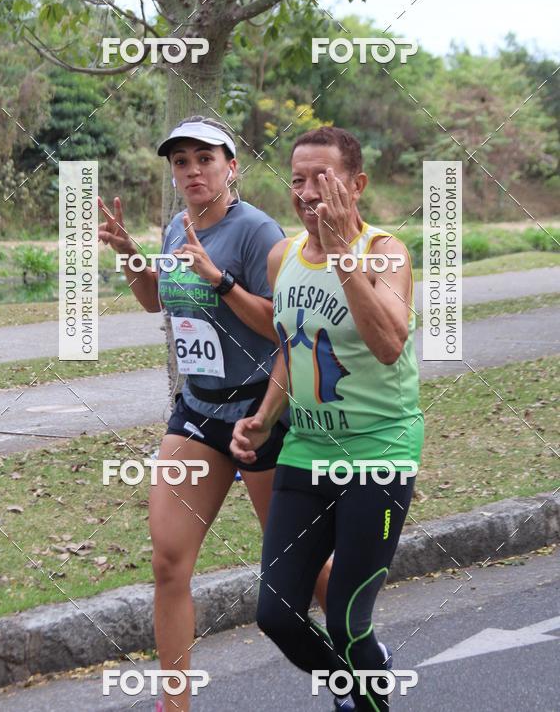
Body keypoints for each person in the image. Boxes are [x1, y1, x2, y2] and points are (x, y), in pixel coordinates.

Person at [98, 115, 330, 712]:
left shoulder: (258, 232)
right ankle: (175, 704)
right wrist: (131, 256)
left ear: (232, 166)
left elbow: (285, 330)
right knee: (168, 561)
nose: (193, 171)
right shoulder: (177, 227)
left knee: (298, 568)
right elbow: (157, 299)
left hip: (260, 412)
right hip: (198, 413)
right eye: (181, 162)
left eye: (205, 159)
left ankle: (360, 651)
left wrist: (222, 279)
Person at [231, 126, 424, 711]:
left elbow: (389, 343)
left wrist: (344, 255)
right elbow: (294, 347)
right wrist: (265, 417)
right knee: (277, 614)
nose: (309, 191)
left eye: (324, 177)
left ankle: (366, 693)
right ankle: (363, 676)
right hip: (306, 451)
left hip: (378, 453)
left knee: (346, 620)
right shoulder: (281, 255)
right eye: (297, 179)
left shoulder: (385, 252)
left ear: (357, 184)